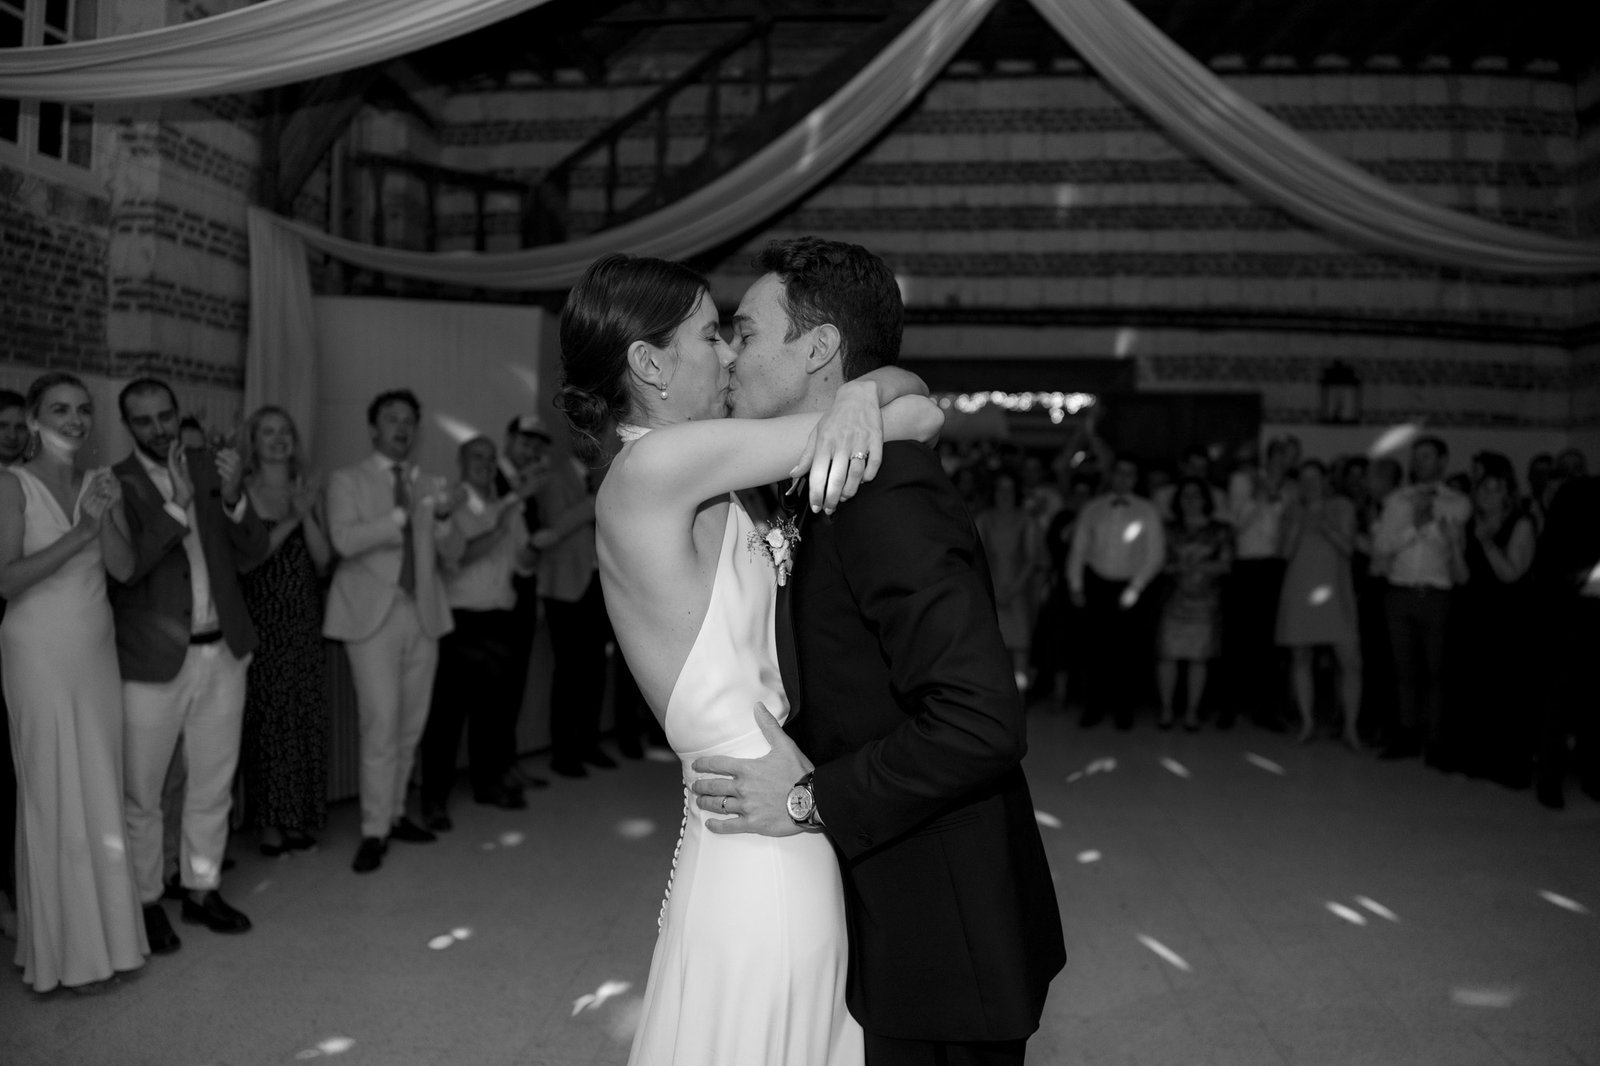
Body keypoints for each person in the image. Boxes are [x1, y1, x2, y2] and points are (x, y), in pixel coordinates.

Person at [553, 249, 943, 1065]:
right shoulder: (658, 466)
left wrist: (863, 389)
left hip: (755, 821)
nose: (730, 352)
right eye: (708, 336)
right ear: (649, 363)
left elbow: (905, 400)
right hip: (761, 844)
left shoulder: (701, 471)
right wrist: (869, 398)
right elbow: (917, 417)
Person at [688, 238, 1065, 1066]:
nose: (728, 355)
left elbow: (978, 723)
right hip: (884, 903)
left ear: (819, 348)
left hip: (939, 932)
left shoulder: (885, 492)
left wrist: (807, 800)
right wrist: (872, 390)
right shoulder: (815, 471)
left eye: (746, 333)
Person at [0, 373, 147, 991]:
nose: (75, 420)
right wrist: (81, 532)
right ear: (33, 419)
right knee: (52, 792)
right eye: (59, 409)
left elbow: (124, 567)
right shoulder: (10, 485)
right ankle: (65, 955)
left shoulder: (99, 482)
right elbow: (7, 580)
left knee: (97, 787)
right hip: (37, 651)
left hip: (95, 652)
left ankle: (110, 944)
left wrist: (105, 516)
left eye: (84, 410)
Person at [111, 379, 269, 946]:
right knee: (143, 791)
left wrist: (232, 498)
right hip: (151, 661)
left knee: (212, 783)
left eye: (165, 416)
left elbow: (254, 555)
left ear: (179, 414)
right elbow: (126, 569)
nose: (159, 429)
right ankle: (146, 899)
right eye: (144, 420)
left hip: (222, 650)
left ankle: (201, 890)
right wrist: (176, 504)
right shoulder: (115, 484)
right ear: (127, 425)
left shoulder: (209, 467)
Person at [324, 389, 465, 874]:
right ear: (373, 428)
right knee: (381, 722)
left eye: (409, 420)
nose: (402, 428)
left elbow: (451, 555)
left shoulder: (432, 482)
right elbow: (343, 540)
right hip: (370, 616)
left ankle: (398, 813)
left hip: (422, 612)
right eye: (392, 419)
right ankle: (373, 829)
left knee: (410, 725)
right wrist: (403, 515)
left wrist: (444, 521)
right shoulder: (347, 480)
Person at [419, 436, 538, 831]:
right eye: (476, 457)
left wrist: (534, 548)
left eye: (490, 457)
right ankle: (433, 799)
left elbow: (521, 563)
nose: (485, 464)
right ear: (460, 461)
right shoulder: (448, 504)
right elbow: (456, 556)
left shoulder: (510, 508)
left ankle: (488, 785)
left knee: (492, 713)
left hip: (500, 621)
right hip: (461, 622)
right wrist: (502, 524)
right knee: (447, 719)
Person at [237, 406, 332, 856]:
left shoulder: (307, 487)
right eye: (267, 432)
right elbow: (249, 561)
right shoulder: (245, 491)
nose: (278, 439)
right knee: (267, 724)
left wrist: (307, 512)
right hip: (262, 620)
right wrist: (292, 517)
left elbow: (323, 561)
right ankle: (268, 824)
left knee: (301, 719)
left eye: (285, 432)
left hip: (303, 618)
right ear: (253, 442)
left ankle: (298, 818)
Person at [1373, 436, 1470, 765]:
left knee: (1436, 671)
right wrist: (1415, 528)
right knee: (1403, 670)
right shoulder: (1397, 500)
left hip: (1437, 594)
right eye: (1416, 458)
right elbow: (1383, 547)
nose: (1419, 464)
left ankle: (1436, 740)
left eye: (1426, 457)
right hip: (1399, 592)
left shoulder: (1457, 502)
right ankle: (1406, 735)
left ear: (1443, 461)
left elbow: (1454, 546)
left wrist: (1429, 528)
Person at [529, 438, 613, 779]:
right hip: (563, 587)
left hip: (597, 584)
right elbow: (555, 526)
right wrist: (593, 502)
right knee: (568, 673)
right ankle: (563, 753)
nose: (594, 442)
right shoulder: (553, 477)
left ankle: (589, 744)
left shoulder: (600, 478)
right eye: (586, 434)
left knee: (595, 670)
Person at [1068, 454, 1165, 730]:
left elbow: (1155, 554)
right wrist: (1076, 584)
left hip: (1131, 585)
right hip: (1096, 584)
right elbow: (1079, 548)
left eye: (1129, 474)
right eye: (1119, 472)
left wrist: (1136, 587)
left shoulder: (1147, 510)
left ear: (1135, 479)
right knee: (1095, 651)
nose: (1123, 479)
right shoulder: (1093, 508)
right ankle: (1093, 708)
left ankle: (1124, 710)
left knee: (1128, 653)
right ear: (1112, 476)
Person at [1454, 459, 1536, 786]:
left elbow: (1511, 574)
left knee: (1506, 691)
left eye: (1495, 489)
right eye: (1482, 488)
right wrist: (1453, 545)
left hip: (1508, 617)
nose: (1487, 495)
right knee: (1476, 689)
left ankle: (1507, 764)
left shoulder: (1522, 523)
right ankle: (1476, 759)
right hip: (1473, 613)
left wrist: (1487, 541)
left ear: (1508, 494)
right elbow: (1460, 577)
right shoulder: (1470, 522)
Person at [1275, 460, 1361, 746]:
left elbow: (1348, 548)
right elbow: (1285, 553)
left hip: (1335, 590)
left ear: (1326, 480)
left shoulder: (1342, 506)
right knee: (1301, 657)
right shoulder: (1292, 510)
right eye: (1303, 479)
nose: (1309, 485)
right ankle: (1307, 722)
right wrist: (1299, 522)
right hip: (1299, 588)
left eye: (1315, 478)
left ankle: (1350, 727)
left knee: (1349, 660)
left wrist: (1324, 524)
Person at [1157, 476, 1232, 731]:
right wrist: (1175, 567)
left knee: (1199, 657)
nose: (1190, 501)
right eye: (1185, 495)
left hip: (1206, 600)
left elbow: (1227, 563)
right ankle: (1166, 710)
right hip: (1174, 598)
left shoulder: (1220, 530)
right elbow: (1158, 562)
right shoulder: (1168, 529)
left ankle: (1192, 712)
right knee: (1167, 655)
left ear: (1206, 499)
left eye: (1196, 495)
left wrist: (1198, 566)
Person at [975, 468, 1044, 695]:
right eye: (1000, 489)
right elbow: (977, 557)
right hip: (989, 592)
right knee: (991, 654)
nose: (1005, 494)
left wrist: (1013, 590)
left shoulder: (1027, 520)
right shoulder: (983, 519)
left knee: (1020, 652)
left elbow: (1031, 560)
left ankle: (1020, 705)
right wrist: (992, 591)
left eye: (1009, 489)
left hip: (1020, 594)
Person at [0, 387, 27, 942]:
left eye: (16, 424)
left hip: (27, 636)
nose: (11, 433)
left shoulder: (30, 483)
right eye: (2, 425)